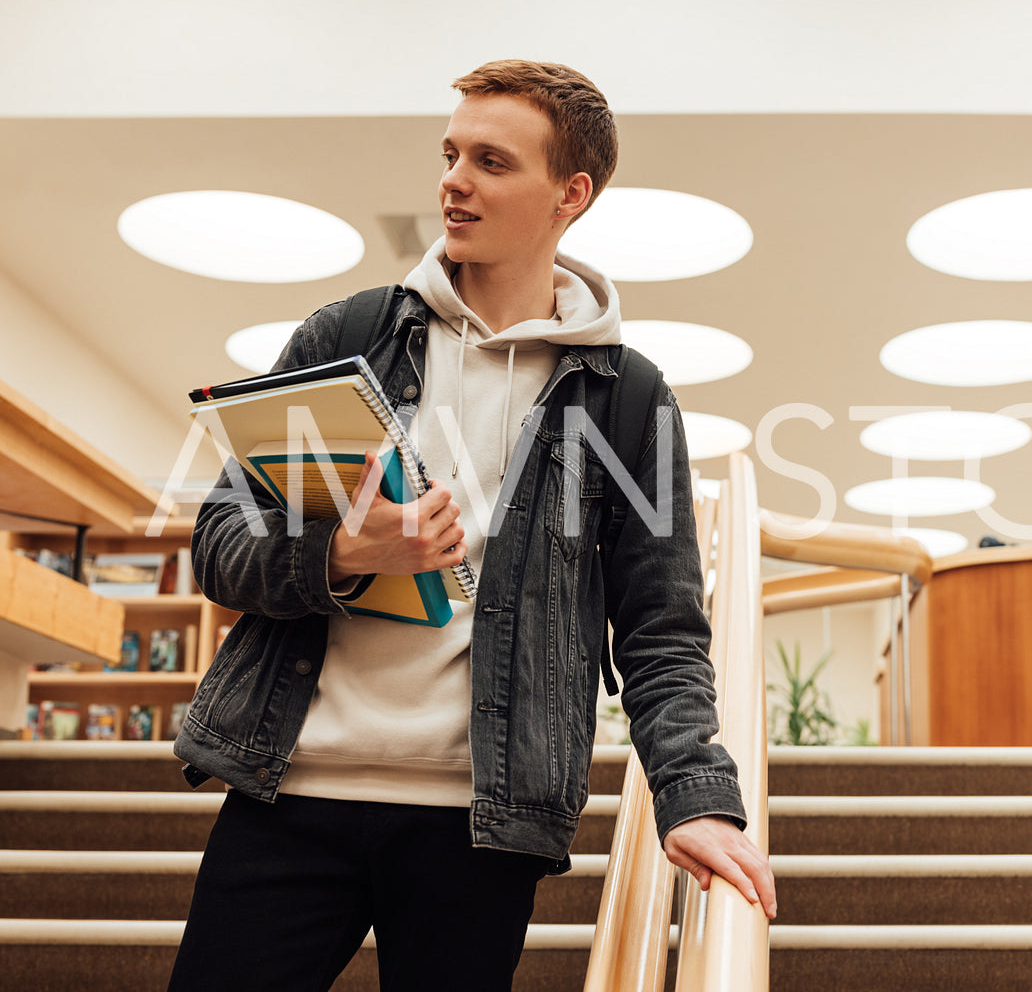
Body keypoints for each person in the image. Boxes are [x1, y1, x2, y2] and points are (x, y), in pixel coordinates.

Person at [168, 59, 775, 991]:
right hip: (287, 791)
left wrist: (695, 798)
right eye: (451, 154)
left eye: (491, 161)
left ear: (570, 194)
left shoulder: (628, 396)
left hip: (480, 820)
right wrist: (342, 555)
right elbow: (220, 547)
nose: (454, 180)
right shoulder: (348, 334)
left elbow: (660, 625)